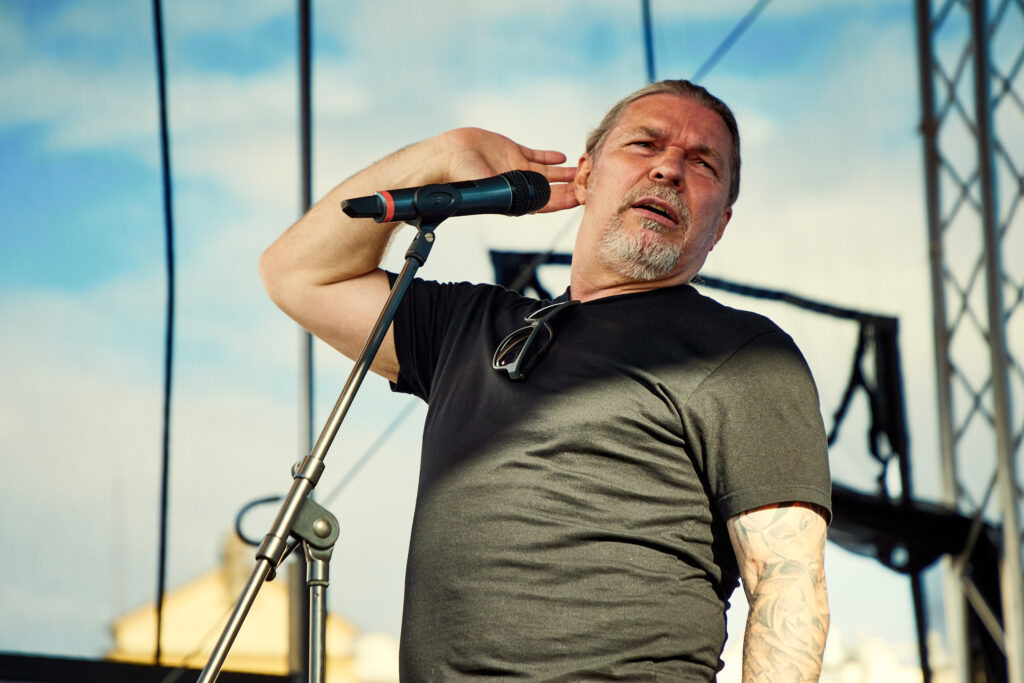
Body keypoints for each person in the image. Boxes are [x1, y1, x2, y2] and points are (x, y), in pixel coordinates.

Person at [260, 79, 831, 681]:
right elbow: (298, 273)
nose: (668, 169)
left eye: (702, 163)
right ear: (585, 177)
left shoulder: (743, 353)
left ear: (720, 225)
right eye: (645, 144)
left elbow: (787, 584)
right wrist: (442, 154)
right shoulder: (470, 326)